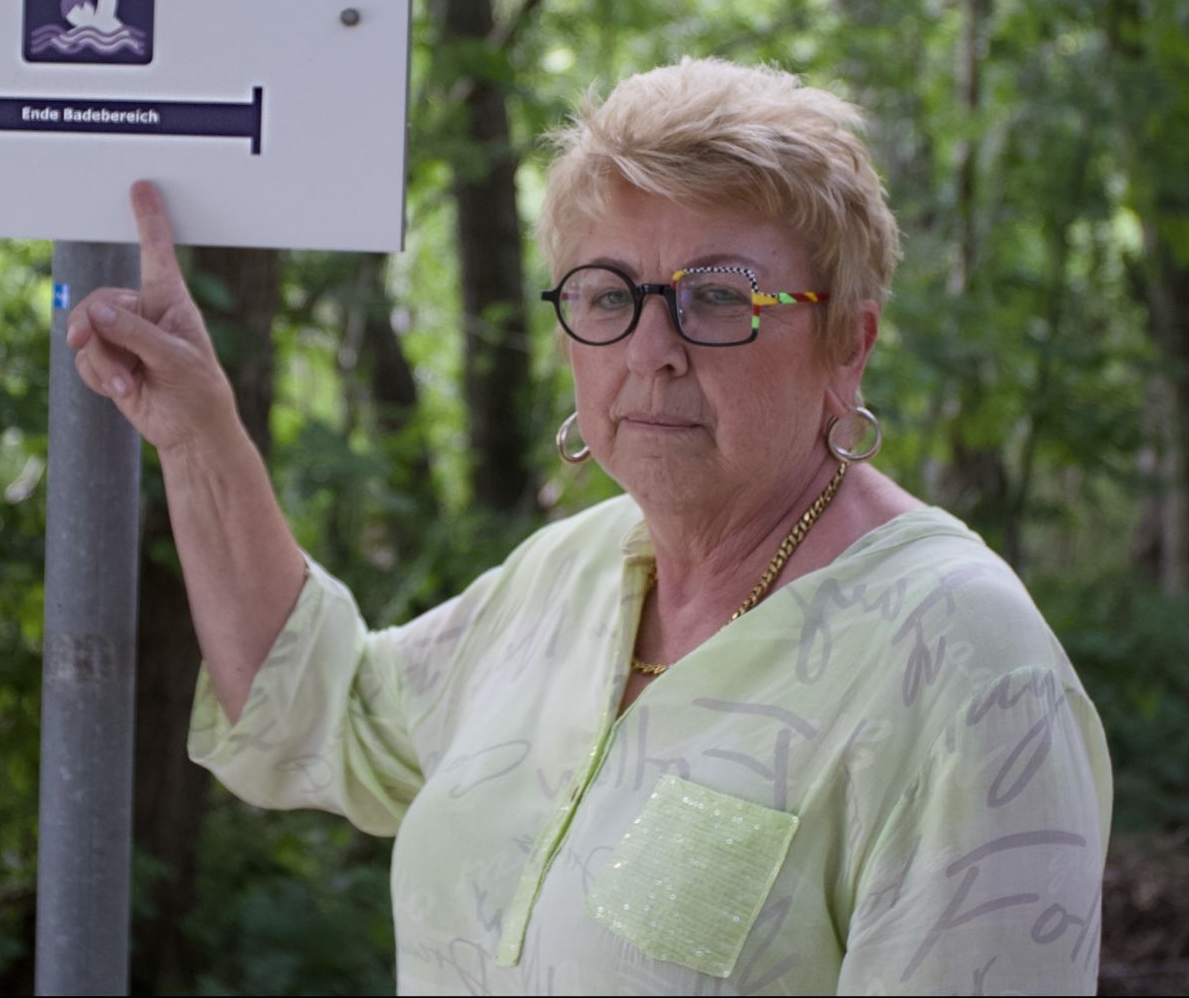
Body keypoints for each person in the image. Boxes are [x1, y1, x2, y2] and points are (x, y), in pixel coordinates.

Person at [63, 59, 1110, 995]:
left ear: (847, 343)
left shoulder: (967, 668)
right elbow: (318, 710)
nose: (651, 345)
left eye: (718, 297)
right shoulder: (575, 570)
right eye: (609, 293)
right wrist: (198, 431)